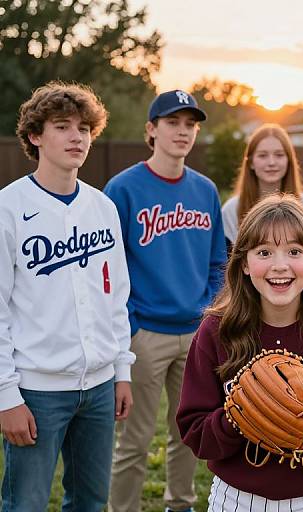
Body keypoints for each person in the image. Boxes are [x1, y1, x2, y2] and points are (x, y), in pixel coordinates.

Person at [177, 193, 303, 512]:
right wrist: (243, 414)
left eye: (295, 251)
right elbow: (195, 431)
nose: (280, 265)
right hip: (236, 498)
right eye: (264, 252)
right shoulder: (217, 330)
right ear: (244, 263)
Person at [0, 81, 135, 511]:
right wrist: (6, 396)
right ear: (35, 136)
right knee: (26, 504)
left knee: (91, 503)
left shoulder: (102, 207)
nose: (77, 137)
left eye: (84, 127)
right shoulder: (8, 208)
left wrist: (121, 369)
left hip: (98, 387)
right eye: (62, 126)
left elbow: (115, 296)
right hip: (36, 391)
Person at [104, 89, 227, 512]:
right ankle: (123, 509)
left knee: (189, 435)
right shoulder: (122, 189)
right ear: (151, 130)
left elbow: (217, 262)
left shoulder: (205, 190)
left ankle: (181, 504)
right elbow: (109, 268)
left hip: (194, 334)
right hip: (145, 335)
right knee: (134, 441)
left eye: (190, 124)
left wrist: (207, 312)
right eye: (173, 122)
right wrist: (132, 325)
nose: (183, 131)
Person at [222, 123, 303, 249]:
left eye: (279, 155)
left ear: (289, 161)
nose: (271, 162)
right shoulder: (232, 210)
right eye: (262, 155)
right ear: (250, 163)